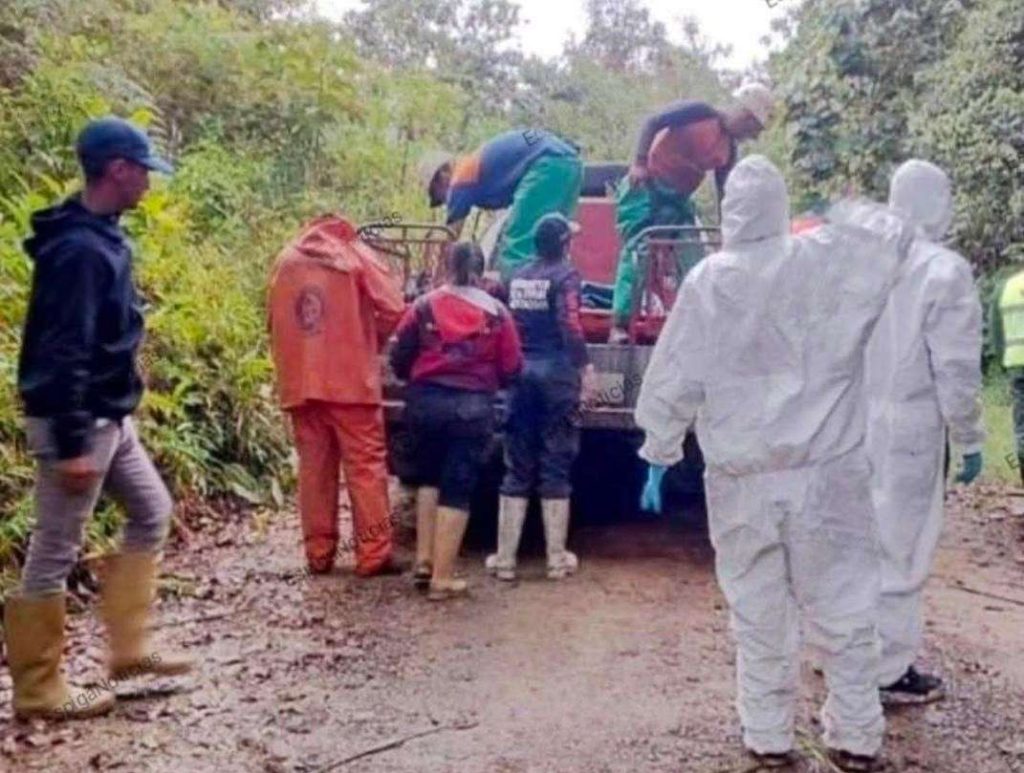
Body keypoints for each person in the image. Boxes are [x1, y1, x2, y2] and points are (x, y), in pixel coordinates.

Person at [636, 156, 913, 772]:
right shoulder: (825, 259)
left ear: (729, 211)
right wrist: (840, 211)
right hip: (827, 471)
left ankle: (767, 736)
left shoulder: (709, 280)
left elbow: (675, 372)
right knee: (844, 607)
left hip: (741, 479)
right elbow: (896, 233)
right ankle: (858, 737)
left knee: (757, 611)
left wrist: (659, 450)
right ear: (782, 206)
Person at [6, 117, 192, 721]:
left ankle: (129, 652)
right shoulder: (80, 251)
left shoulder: (99, 233)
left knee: (151, 510)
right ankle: (38, 689)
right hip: (79, 423)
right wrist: (71, 443)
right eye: (143, 171)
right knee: (54, 549)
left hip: (110, 418)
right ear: (117, 169)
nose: (148, 182)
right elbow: (65, 350)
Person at [867, 160, 984, 703]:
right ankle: (886, 671)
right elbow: (955, 367)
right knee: (901, 545)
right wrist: (969, 435)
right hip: (909, 425)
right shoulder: (944, 271)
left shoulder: (862, 260)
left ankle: (845, 653)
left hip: (851, 421)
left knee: (854, 540)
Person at [267, 216, 405, 577]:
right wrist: (368, 337)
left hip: (301, 384)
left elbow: (272, 319)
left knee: (314, 470)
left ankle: (319, 554)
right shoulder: (356, 255)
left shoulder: (286, 260)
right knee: (366, 468)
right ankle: (373, 555)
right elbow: (393, 307)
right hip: (351, 383)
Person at [389, 243, 522, 600]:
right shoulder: (497, 313)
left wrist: (416, 378)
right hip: (472, 408)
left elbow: (399, 354)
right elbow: (512, 367)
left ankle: (423, 561)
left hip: (425, 402)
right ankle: (443, 579)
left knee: (427, 479)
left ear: (447, 267)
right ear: (481, 272)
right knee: (457, 487)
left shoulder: (423, 305)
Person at [608, 84, 775, 343]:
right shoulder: (699, 112)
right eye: (751, 129)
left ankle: (695, 323)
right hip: (647, 187)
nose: (750, 136)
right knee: (639, 250)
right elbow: (653, 122)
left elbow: (725, 194)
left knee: (694, 255)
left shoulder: (728, 152)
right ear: (744, 115)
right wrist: (639, 163)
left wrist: (728, 230)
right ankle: (619, 325)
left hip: (677, 201)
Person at [486, 214, 597, 582]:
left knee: (517, 462)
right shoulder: (565, 276)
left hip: (520, 376)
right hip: (556, 378)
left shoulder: (516, 275)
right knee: (556, 460)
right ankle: (554, 560)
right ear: (564, 243)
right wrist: (585, 369)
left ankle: (504, 560)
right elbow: (570, 323)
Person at [419, 128, 583, 278]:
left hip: (546, 166)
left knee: (517, 246)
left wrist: (440, 280)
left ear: (442, 176)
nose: (445, 202)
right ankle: (556, 286)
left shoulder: (460, 179)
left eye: (438, 197)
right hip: (571, 163)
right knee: (552, 240)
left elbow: (451, 238)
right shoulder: (476, 164)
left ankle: (514, 297)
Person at [990, 266, 1024, 485]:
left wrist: (1005, 362)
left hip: (1017, 367)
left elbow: (996, 334)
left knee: (1022, 427)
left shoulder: (1006, 287)